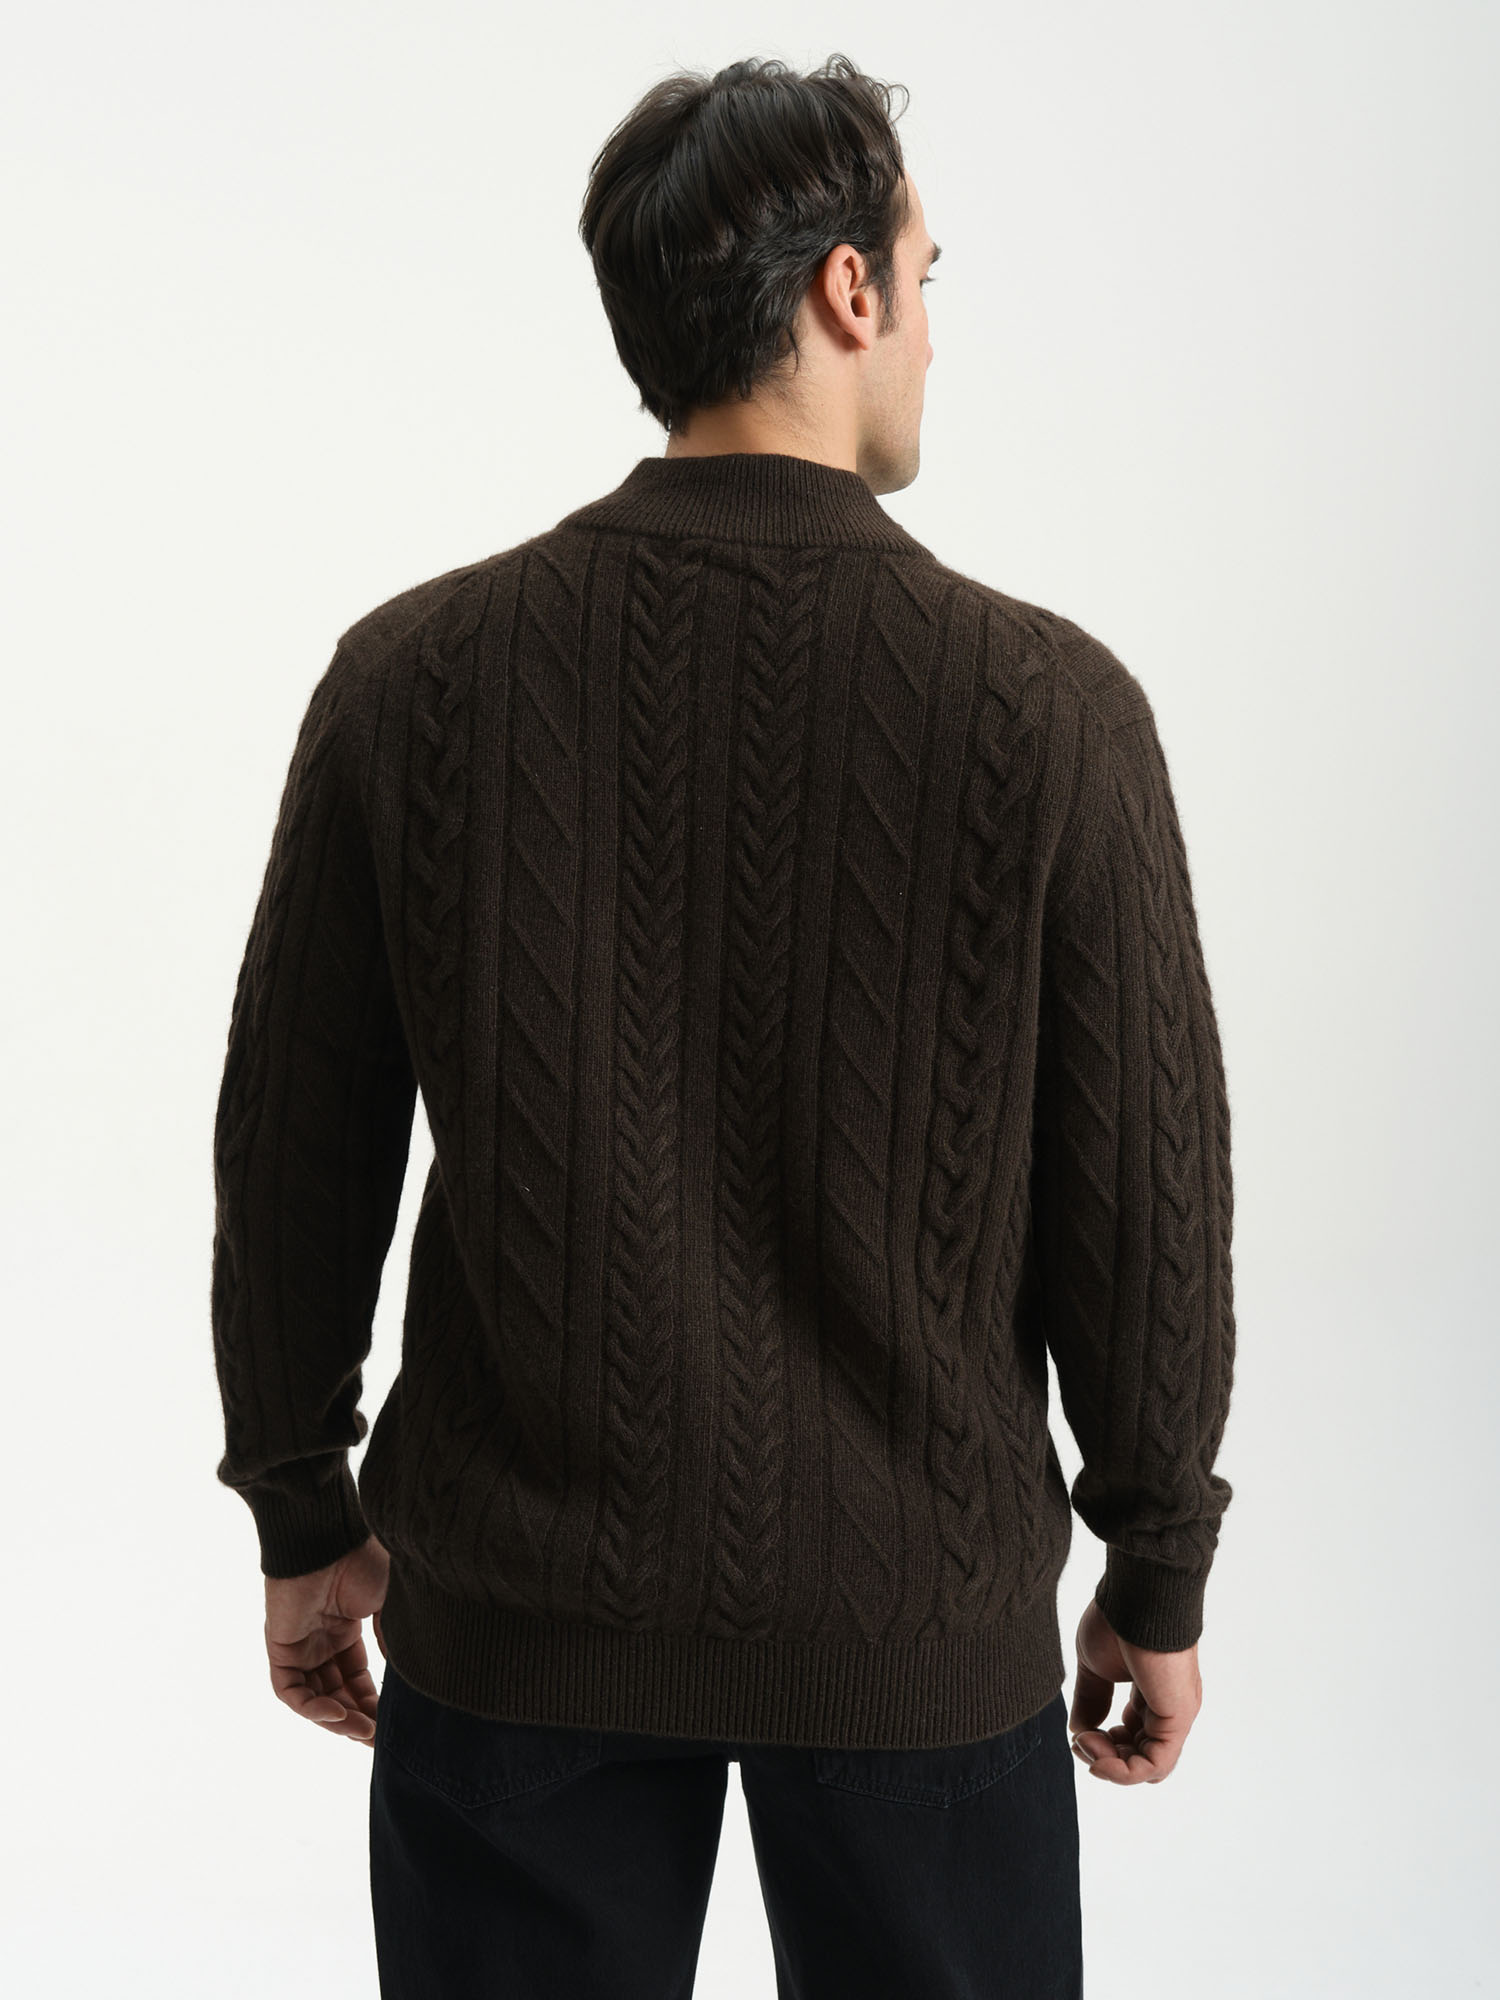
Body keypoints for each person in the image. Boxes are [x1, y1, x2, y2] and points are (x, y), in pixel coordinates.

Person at [209, 51, 1237, 2000]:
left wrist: (303, 1507)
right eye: (927, 278)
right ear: (848, 290)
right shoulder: (1048, 709)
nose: (930, 330)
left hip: (519, 1619)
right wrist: (1156, 1562)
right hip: (919, 1625)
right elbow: (1146, 1199)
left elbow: (292, 1151)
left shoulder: (415, 681)